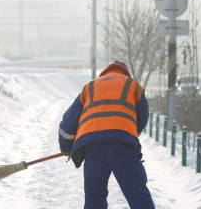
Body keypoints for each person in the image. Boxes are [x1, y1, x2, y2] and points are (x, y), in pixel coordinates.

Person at [58, 60, 155, 209]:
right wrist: (130, 133)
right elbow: (143, 116)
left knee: (94, 198)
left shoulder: (90, 87)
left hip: (92, 147)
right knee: (137, 194)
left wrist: (66, 147)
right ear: (125, 71)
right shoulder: (132, 85)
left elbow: (68, 123)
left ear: (106, 72)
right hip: (123, 146)